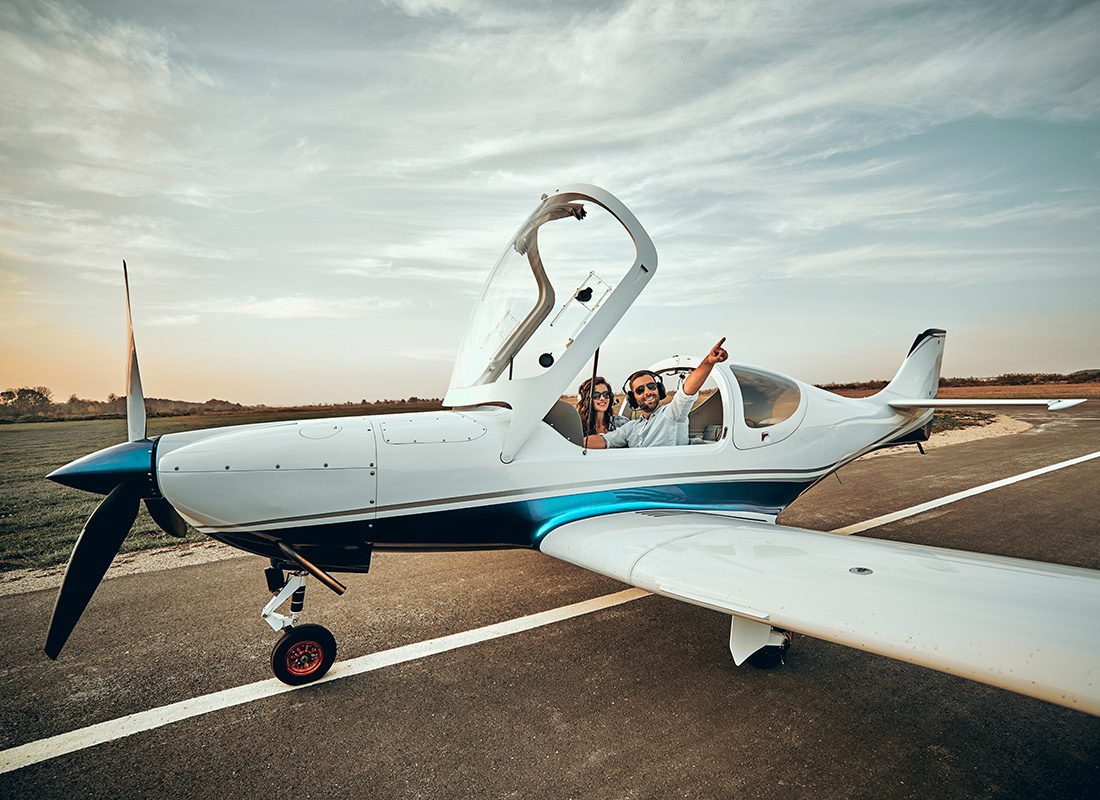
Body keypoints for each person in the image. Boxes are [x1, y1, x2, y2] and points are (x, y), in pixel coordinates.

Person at [583, 338, 728, 449]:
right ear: (633, 398)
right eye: (640, 390)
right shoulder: (630, 427)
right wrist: (570, 443)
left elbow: (686, 391)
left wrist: (708, 362)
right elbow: (605, 440)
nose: (647, 392)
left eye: (651, 386)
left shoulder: (672, 414)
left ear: (659, 389)